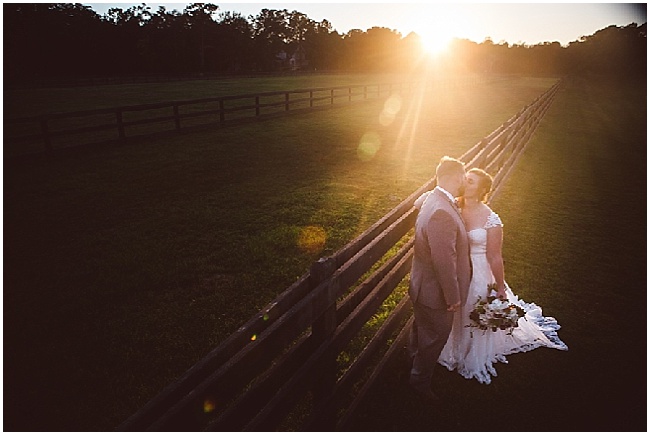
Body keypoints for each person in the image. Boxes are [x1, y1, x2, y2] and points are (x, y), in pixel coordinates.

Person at [435, 167, 568, 384]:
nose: (464, 182)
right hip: (455, 267)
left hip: (478, 270)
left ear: (481, 190)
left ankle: (469, 350)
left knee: (472, 306)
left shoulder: (491, 220)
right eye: (465, 179)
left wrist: (500, 287)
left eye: (470, 181)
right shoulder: (452, 206)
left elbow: (495, 257)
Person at [407, 156, 471, 401]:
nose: (465, 181)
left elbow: (419, 201)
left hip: (422, 285)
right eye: (463, 177)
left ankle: (411, 363)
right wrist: (453, 296)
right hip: (435, 292)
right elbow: (444, 261)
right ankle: (419, 382)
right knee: (435, 338)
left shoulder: (432, 198)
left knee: (421, 329)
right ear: (456, 177)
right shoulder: (442, 212)